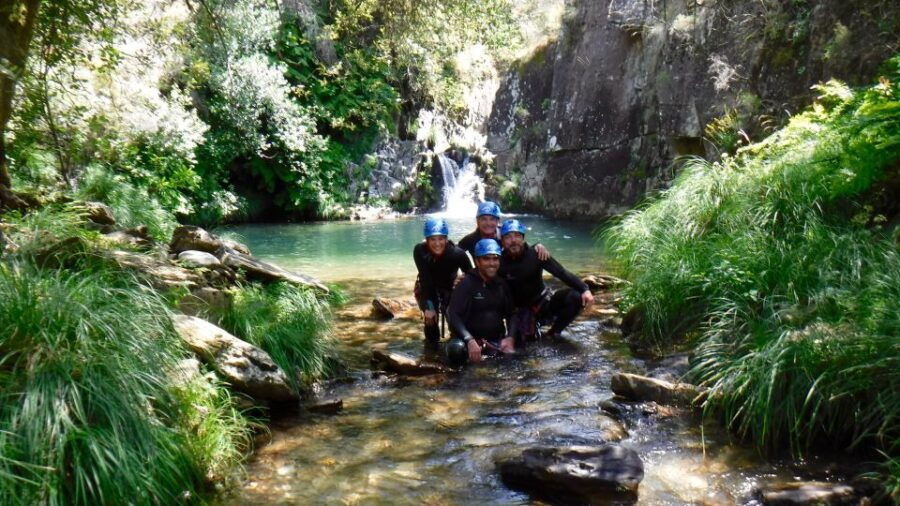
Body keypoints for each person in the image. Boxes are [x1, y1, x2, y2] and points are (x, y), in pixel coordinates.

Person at [498, 219, 594, 341]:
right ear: (502, 241)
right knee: (523, 345)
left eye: (517, 236)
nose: (513, 241)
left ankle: (554, 332)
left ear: (523, 238)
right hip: (519, 311)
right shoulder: (498, 263)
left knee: (575, 296)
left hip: (543, 304)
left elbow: (561, 272)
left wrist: (584, 289)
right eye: (508, 237)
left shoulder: (536, 254)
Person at [445, 239, 518, 365]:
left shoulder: (502, 284)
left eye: (495, 259)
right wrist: (469, 340)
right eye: (486, 259)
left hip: (494, 340)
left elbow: (512, 314)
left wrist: (510, 338)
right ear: (477, 262)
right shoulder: (466, 283)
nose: (492, 263)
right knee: (455, 350)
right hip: (469, 340)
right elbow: (453, 315)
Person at [413, 218, 473, 347]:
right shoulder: (420, 251)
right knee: (430, 320)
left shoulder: (457, 253)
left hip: (450, 288)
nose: (437, 243)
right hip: (428, 287)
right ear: (427, 240)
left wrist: (462, 279)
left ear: (446, 239)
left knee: (455, 323)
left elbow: (472, 274)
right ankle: (431, 348)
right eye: (432, 239)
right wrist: (429, 308)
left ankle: (457, 344)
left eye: (441, 239)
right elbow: (425, 280)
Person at [457, 201, 551, 262]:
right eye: (484, 219)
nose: (488, 223)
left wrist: (537, 246)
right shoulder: (470, 240)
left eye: (492, 219)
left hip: (506, 274)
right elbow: (454, 254)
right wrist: (465, 272)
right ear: (477, 221)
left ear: (498, 221)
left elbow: (520, 245)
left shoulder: (506, 233)